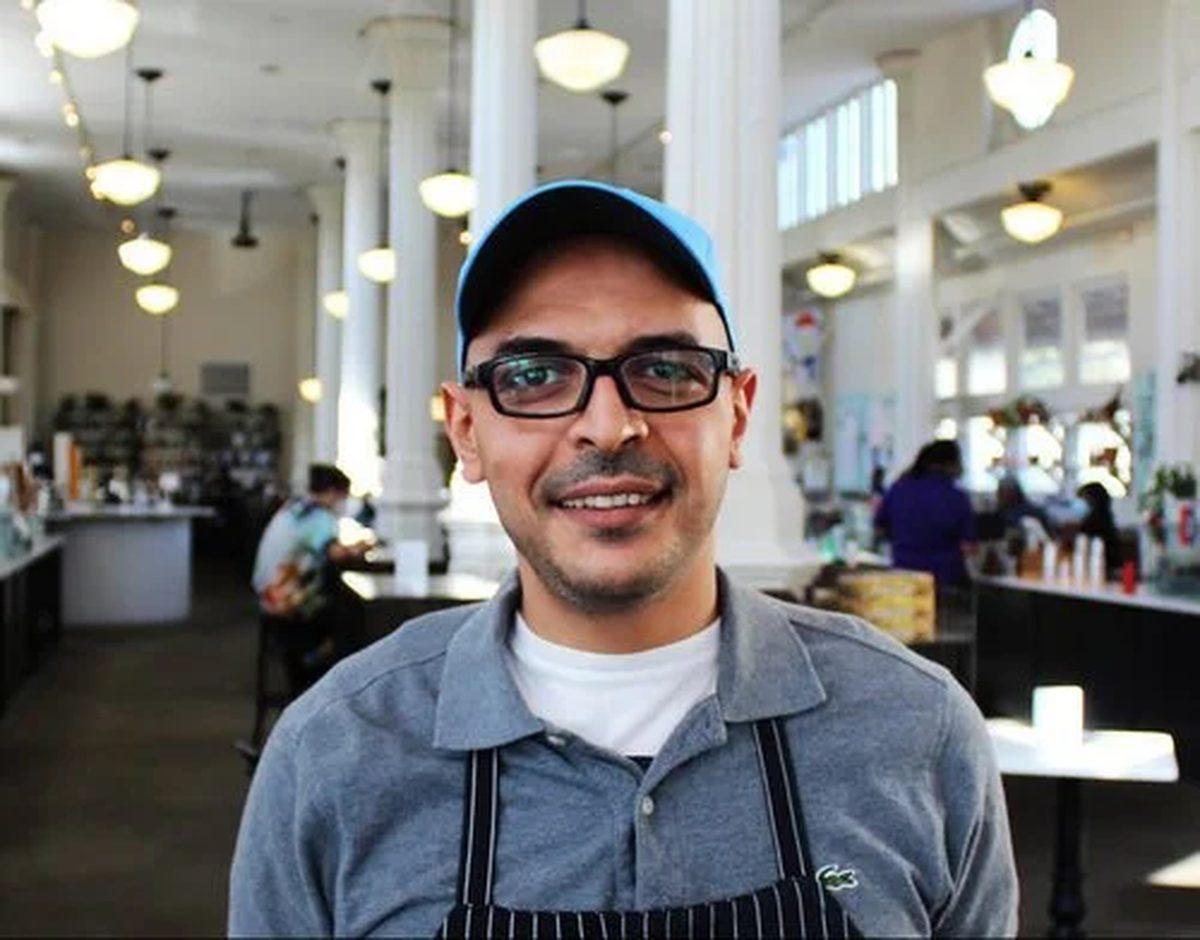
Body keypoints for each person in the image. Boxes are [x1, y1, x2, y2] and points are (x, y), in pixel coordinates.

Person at [230, 181, 1017, 937]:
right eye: (534, 376)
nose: (608, 427)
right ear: (466, 431)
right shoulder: (337, 753)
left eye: (666, 370)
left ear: (739, 416)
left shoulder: (916, 730)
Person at [250, 463, 366, 691]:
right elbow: (335, 552)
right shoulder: (317, 515)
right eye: (343, 496)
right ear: (332, 492)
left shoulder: (294, 507)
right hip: (285, 601)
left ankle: (315, 663)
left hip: (267, 593)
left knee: (342, 605)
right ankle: (326, 674)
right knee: (353, 615)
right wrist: (361, 547)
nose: (343, 503)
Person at [874, 440, 977, 587]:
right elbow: (969, 545)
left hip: (903, 575)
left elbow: (880, 528)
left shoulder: (898, 489)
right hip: (943, 578)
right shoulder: (956, 496)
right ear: (949, 464)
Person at [1077, 480, 1122, 578]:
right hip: (1104, 570)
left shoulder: (1093, 522)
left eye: (1085, 499)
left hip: (1100, 572)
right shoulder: (1107, 519)